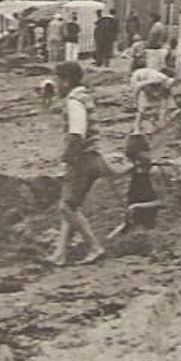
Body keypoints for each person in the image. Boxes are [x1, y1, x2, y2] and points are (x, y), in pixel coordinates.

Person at [51, 60, 108, 266]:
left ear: (66, 81)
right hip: (92, 156)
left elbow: (77, 133)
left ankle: (94, 247)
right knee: (71, 206)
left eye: (57, 79)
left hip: (83, 159)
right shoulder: (84, 96)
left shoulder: (74, 101)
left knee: (66, 207)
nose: (55, 84)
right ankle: (60, 253)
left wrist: (67, 158)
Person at [129, 66, 173, 133]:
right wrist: (135, 101)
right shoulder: (159, 80)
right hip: (139, 78)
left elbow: (165, 106)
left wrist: (164, 119)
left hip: (151, 84)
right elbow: (138, 86)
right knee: (143, 107)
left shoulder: (168, 88)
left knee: (157, 105)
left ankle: (153, 126)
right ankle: (136, 129)